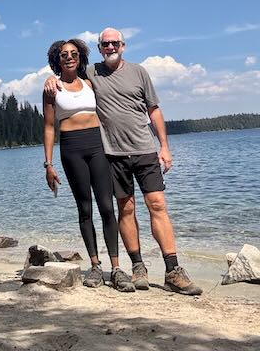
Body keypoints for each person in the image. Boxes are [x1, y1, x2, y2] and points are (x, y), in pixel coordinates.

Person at [45, 28, 202, 296]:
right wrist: (50, 77)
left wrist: (164, 146)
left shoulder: (128, 73)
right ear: (99, 48)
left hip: (139, 149)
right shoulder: (84, 76)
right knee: (120, 208)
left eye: (114, 43)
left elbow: (154, 109)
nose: (110, 47)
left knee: (153, 204)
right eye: (105, 44)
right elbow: (54, 111)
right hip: (109, 153)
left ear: (123, 45)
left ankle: (169, 269)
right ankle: (132, 266)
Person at [43, 38, 134, 292]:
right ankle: (95, 265)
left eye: (74, 54)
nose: (69, 58)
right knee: (84, 209)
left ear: (80, 57)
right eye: (64, 55)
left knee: (107, 207)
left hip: (97, 146)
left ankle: (116, 268)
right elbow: (49, 127)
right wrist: (48, 164)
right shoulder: (52, 88)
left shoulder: (89, 83)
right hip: (71, 149)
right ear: (57, 59)